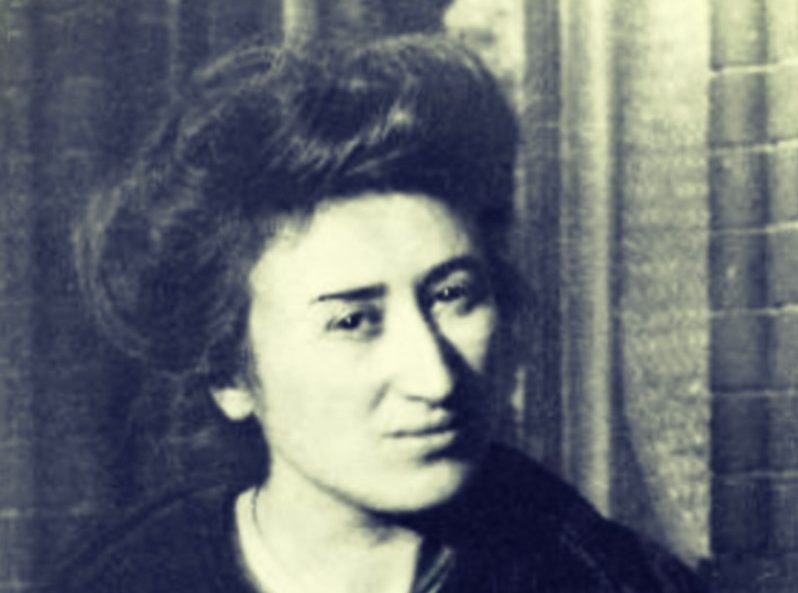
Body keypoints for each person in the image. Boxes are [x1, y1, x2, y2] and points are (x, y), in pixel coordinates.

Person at [54, 34, 704, 593]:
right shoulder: (128, 578)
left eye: (452, 295)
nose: (435, 378)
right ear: (229, 372)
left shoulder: (600, 575)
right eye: (352, 321)